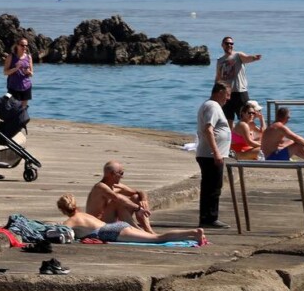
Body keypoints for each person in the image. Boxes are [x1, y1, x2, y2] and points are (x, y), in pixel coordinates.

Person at [57, 193, 205, 245]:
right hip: (116, 226)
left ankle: (194, 232)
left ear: (62, 210)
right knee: (155, 237)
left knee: (157, 238)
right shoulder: (84, 215)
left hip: (110, 232)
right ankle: (192, 234)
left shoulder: (71, 221)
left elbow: (61, 233)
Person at [195, 81, 232, 229]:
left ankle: (207, 217)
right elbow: (208, 129)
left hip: (209, 154)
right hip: (210, 155)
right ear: (220, 92)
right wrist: (216, 152)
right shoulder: (213, 106)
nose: (228, 98)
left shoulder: (211, 106)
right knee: (213, 188)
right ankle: (210, 218)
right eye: (227, 94)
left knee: (211, 187)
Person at [86, 160, 155, 234]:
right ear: (112, 174)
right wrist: (138, 208)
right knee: (118, 201)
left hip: (110, 220)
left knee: (136, 197)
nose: (122, 177)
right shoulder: (100, 187)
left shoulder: (116, 186)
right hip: (97, 224)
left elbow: (140, 192)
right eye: (121, 173)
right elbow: (117, 198)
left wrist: (144, 200)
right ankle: (137, 231)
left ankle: (148, 230)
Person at [215, 36, 262, 123]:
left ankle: (247, 135)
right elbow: (218, 77)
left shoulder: (238, 55)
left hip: (240, 93)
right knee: (228, 119)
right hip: (227, 95)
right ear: (222, 45)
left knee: (246, 119)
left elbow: (247, 58)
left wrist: (254, 58)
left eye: (231, 43)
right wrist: (215, 93)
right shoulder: (220, 60)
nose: (229, 45)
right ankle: (231, 137)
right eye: (227, 43)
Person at [3, 37, 33, 103]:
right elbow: (5, 72)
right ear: (17, 45)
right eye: (22, 45)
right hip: (13, 87)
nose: (24, 47)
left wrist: (28, 72)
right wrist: (15, 69)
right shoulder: (11, 56)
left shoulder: (28, 57)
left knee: (23, 108)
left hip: (26, 86)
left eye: (26, 45)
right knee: (10, 106)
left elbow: (31, 74)